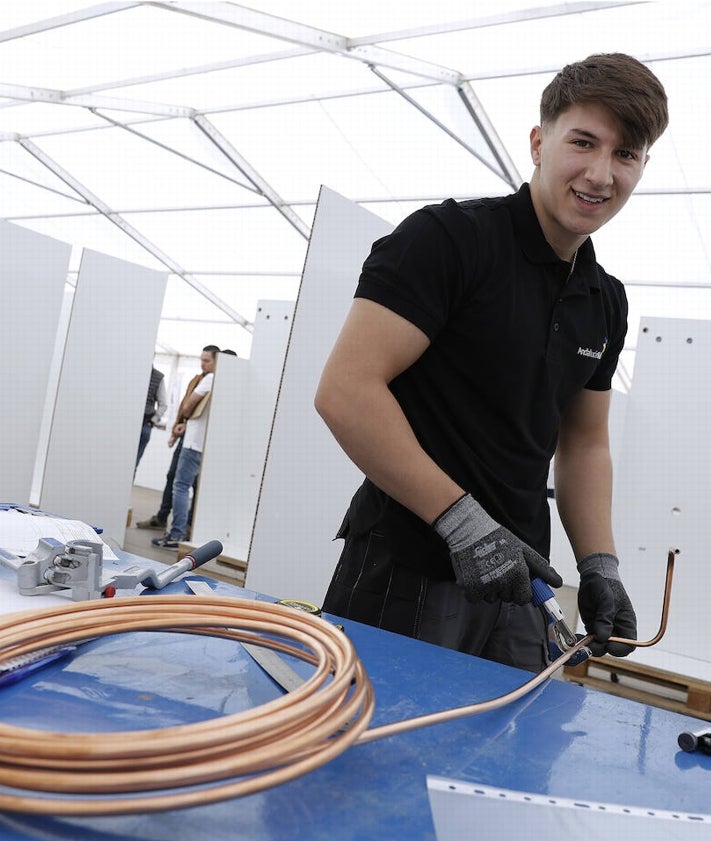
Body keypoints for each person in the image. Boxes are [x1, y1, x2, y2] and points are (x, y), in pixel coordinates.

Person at [314, 53, 669, 673]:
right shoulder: (449, 240)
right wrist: (463, 525)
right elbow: (346, 390)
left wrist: (598, 566)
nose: (599, 173)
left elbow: (583, 445)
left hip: (521, 578)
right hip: (411, 562)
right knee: (377, 750)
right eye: (583, 142)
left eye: (625, 155)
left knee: (507, 751)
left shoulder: (604, 299)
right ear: (539, 142)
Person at [137, 346, 219, 538]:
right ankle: (172, 523)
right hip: (190, 437)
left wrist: (181, 420)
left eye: (206, 360)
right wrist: (180, 426)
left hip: (194, 443)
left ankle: (177, 533)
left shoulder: (210, 379)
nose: (202, 363)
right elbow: (185, 405)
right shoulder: (200, 379)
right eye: (201, 359)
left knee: (181, 485)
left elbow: (188, 405)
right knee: (176, 479)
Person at [134, 366, 167, 476]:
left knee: (132, 465)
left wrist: (153, 421)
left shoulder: (158, 377)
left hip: (145, 424)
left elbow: (163, 405)